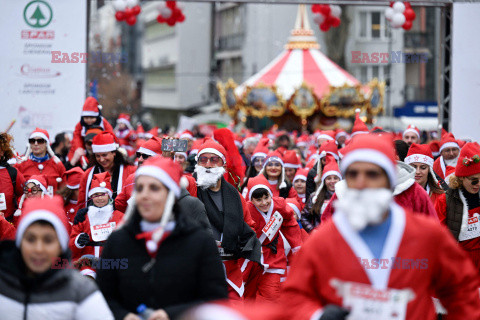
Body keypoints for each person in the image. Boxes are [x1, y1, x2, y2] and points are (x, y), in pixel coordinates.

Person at [280, 134, 480, 319]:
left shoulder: (426, 234)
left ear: (389, 179)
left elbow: (462, 293)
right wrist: (317, 315)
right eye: (353, 174)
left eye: (372, 174)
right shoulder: (324, 239)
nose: (361, 182)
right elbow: (295, 295)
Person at [96, 157, 228, 320]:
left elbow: (216, 300)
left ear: (171, 194)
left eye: (154, 188)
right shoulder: (117, 242)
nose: (144, 195)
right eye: (140, 188)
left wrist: (172, 315)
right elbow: (103, 296)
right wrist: (123, 316)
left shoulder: (199, 242)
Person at [0, 196, 114, 320]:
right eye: (30, 239)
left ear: (60, 246)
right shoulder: (3, 283)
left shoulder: (81, 291)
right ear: (19, 242)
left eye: (48, 240)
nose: (38, 249)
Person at [188, 140, 261, 302]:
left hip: (230, 267)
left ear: (224, 165)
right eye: (203, 159)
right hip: (198, 264)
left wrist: (238, 244)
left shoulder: (235, 196)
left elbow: (248, 226)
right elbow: (173, 181)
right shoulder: (191, 187)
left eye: (214, 160)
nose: (208, 164)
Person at [244, 175, 302, 302]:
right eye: (259, 200)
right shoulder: (246, 209)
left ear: (271, 195)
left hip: (274, 255)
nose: (264, 203)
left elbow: (290, 223)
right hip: (252, 258)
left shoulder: (279, 205)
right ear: (251, 200)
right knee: (248, 295)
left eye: (266, 198)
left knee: (271, 295)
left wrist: (296, 246)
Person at [435, 142, 480, 271]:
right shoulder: (445, 200)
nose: (478, 184)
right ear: (461, 178)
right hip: (459, 261)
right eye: (474, 180)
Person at [70, 172, 123, 278]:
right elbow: (71, 245)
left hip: (111, 262)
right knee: (88, 277)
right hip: (87, 262)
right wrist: (78, 241)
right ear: (91, 197)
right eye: (96, 195)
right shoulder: (83, 217)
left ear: (109, 195)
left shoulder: (119, 217)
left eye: (103, 194)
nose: (99, 198)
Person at [78, 131, 136, 207]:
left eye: (104, 155)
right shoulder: (88, 174)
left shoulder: (130, 171)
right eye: (97, 156)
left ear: (114, 153)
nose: (101, 159)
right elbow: (82, 203)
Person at [115, 137, 163, 213]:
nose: (140, 159)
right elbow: (120, 204)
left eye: (145, 156)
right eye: (138, 155)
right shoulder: (131, 178)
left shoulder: (166, 181)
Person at [16, 127, 65, 195]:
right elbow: (17, 193)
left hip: (52, 204)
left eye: (40, 141)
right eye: (32, 141)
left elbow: (64, 190)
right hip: (29, 205)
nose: (36, 144)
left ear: (46, 144)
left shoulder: (57, 165)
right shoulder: (21, 165)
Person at [67, 96, 114, 165]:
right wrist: (80, 149)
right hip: (84, 148)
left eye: (92, 117)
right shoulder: (80, 125)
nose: (89, 120)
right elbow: (76, 137)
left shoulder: (103, 123)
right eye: (86, 117)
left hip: (100, 147)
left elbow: (111, 135)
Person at [301, 155, 341, 233]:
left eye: (335, 178)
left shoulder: (346, 196)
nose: (332, 181)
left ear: (340, 179)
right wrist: (312, 230)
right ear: (324, 181)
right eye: (329, 178)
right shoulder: (314, 197)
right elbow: (304, 217)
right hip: (320, 237)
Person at [0, 132, 26, 222]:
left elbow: (24, 194)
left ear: (2, 152)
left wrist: (18, 211)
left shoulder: (13, 173)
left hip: (8, 225)